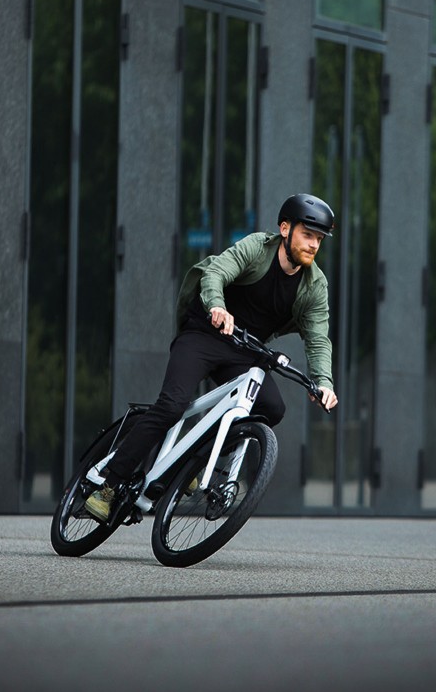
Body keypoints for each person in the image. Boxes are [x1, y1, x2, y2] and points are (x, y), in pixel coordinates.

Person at [84, 193, 341, 522]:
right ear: (285, 228)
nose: (313, 244)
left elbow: (318, 338)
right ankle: (107, 484)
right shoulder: (256, 247)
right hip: (204, 334)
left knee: (270, 408)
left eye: (319, 238)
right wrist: (217, 306)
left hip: (247, 350)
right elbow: (217, 272)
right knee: (173, 406)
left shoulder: (314, 285)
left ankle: (187, 462)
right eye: (308, 234)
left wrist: (323, 382)